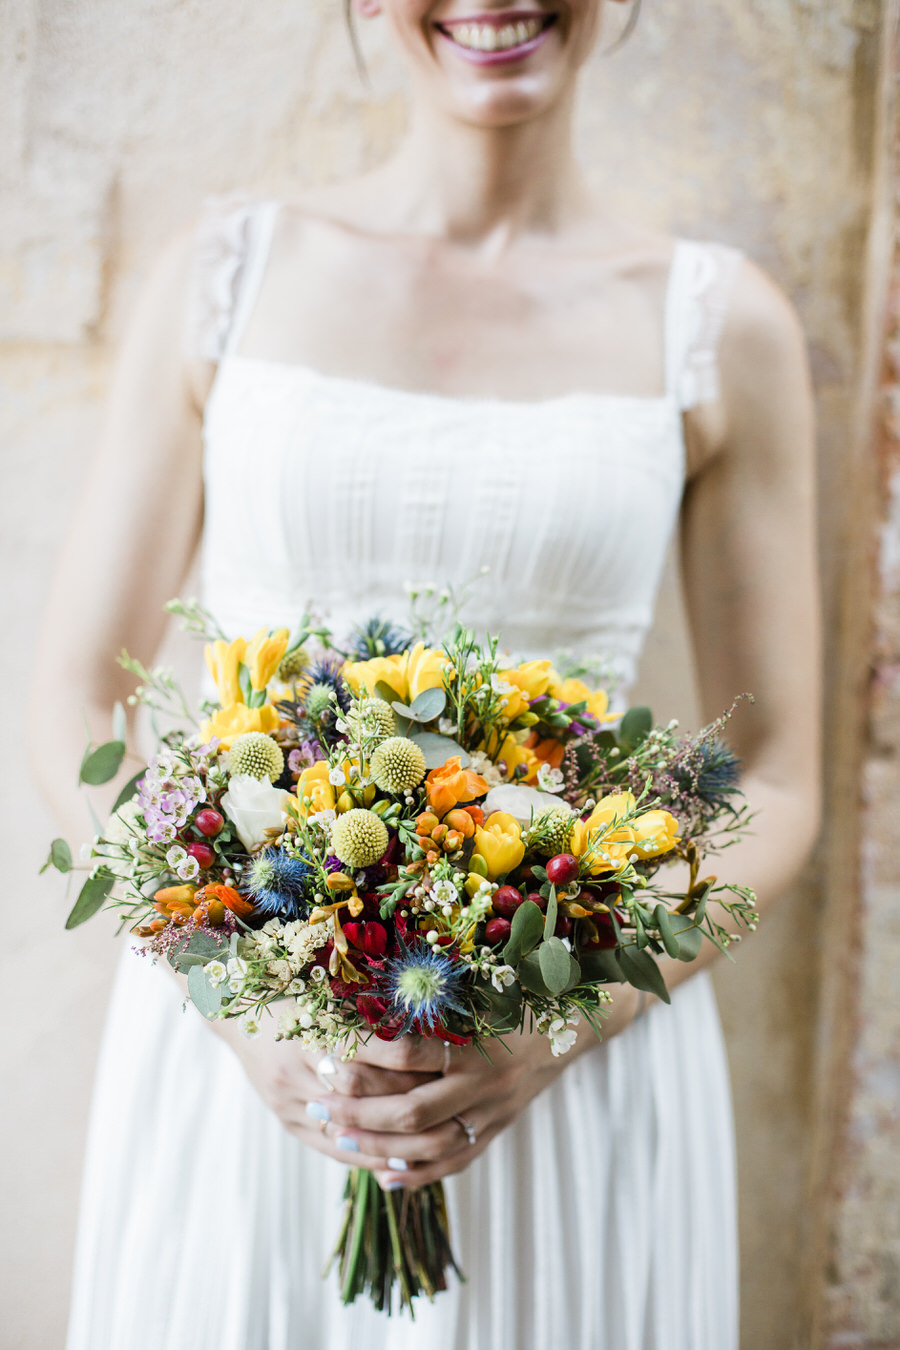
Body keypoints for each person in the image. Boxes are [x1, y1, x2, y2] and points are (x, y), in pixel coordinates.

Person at [34, 1, 821, 1347]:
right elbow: (73, 697)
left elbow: (782, 779)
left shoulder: (718, 322)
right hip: (249, 1063)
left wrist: (563, 1020)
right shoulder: (223, 273)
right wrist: (234, 1000)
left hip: (571, 1059)